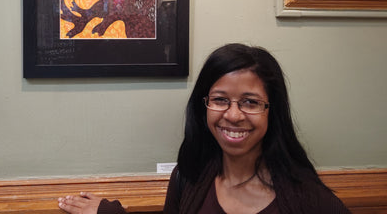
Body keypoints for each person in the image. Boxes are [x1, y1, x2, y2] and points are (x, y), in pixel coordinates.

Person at [58, 43, 351, 214]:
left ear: (271, 112)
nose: (233, 115)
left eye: (250, 102)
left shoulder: (308, 199)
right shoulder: (188, 177)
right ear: (204, 106)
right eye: (220, 100)